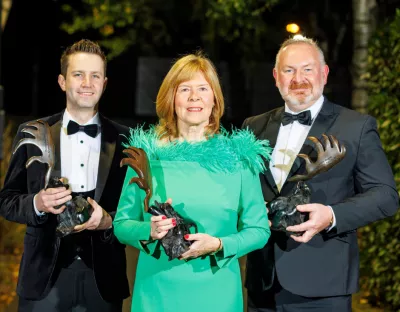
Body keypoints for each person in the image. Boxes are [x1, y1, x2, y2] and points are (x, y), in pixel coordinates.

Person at [242, 35, 399, 312]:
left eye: (307, 69)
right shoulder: (253, 126)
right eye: (289, 70)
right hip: (261, 282)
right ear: (276, 77)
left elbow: (386, 196)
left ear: (324, 74)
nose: (298, 79)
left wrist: (332, 215)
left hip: (323, 287)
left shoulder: (356, 127)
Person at [113, 52, 271, 312]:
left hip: (217, 294)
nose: (194, 97)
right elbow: (121, 224)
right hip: (156, 294)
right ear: (171, 99)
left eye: (202, 88)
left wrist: (220, 245)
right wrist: (148, 231)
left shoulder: (239, 160)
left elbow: (259, 230)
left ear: (214, 100)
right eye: (184, 89)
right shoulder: (146, 157)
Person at [0, 39, 130, 311]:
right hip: (43, 278)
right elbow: (7, 200)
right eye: (78, 74)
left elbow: (137, 210)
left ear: (104, 83)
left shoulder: (126, 139)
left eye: (95, 75)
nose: (87, 83)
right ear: (62, 81)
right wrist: (37, 203)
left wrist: (109, 221)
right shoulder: (32, 133)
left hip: (103, 279)